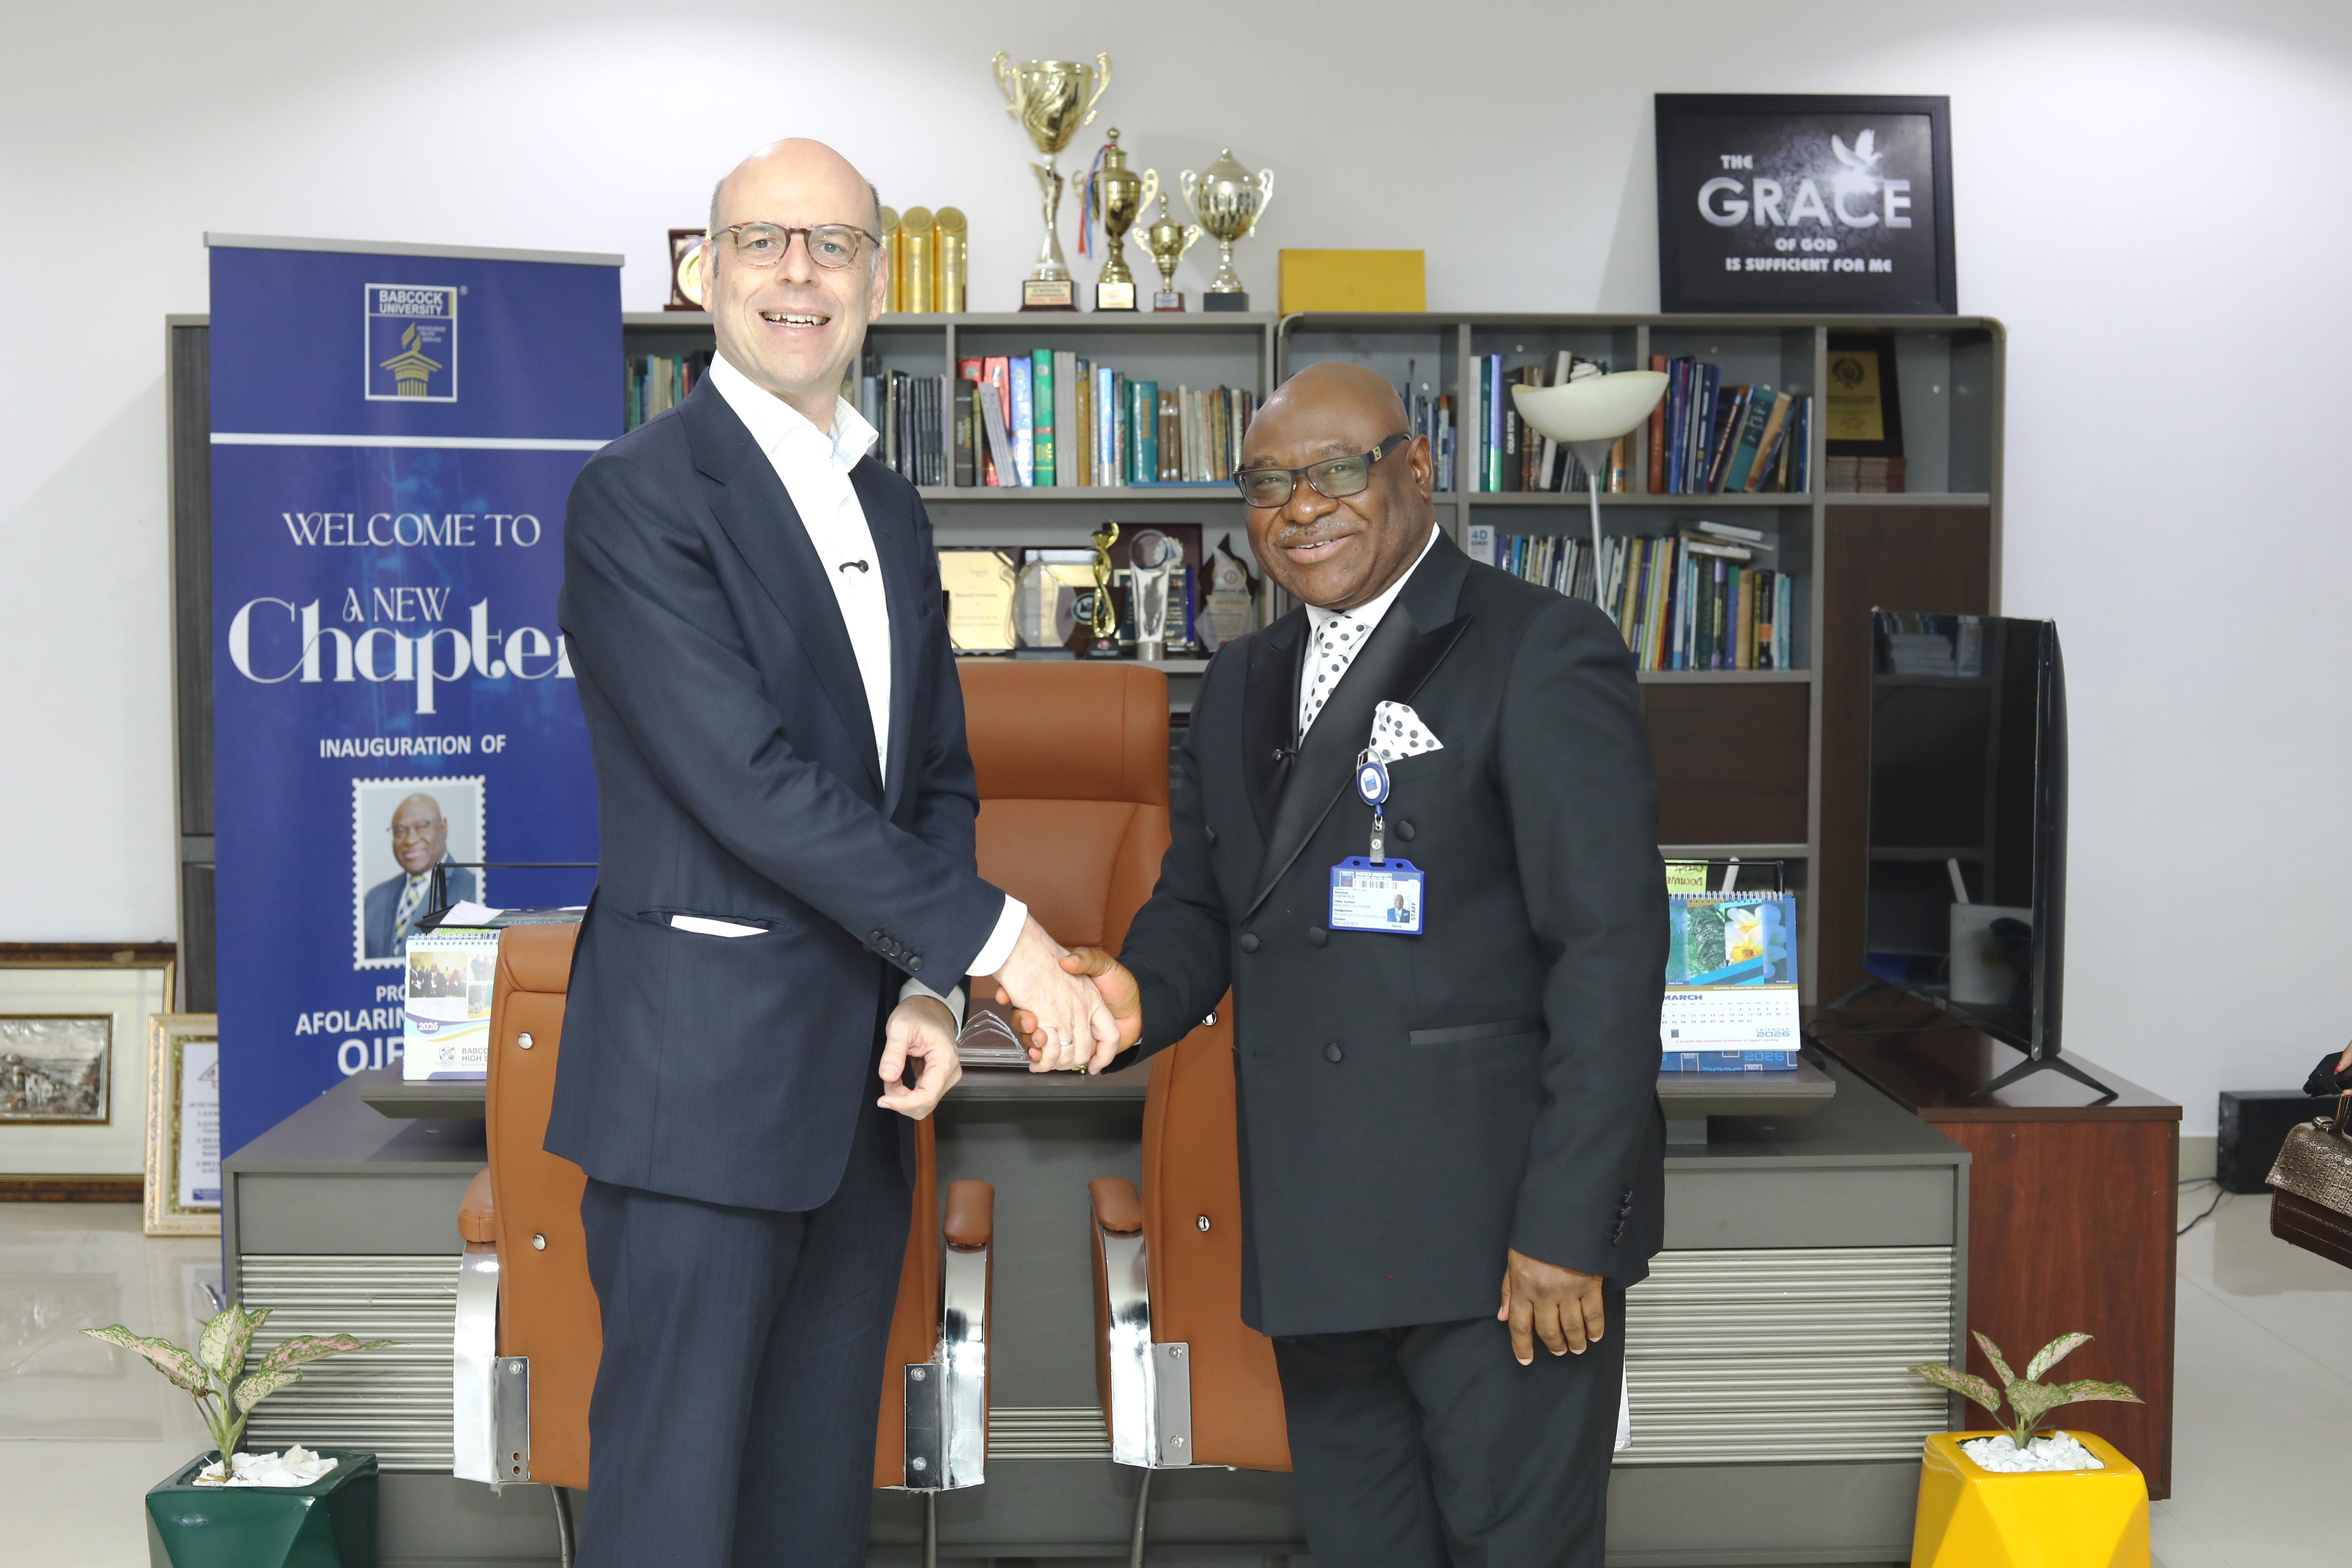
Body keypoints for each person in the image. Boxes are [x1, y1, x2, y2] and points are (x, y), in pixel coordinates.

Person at [547, 138, 1114, 1568]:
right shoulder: (639, 495)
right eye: (763, 242)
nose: (797, 274)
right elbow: (749, 786)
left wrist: (930, 987)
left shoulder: (889, 502)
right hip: (699, 1093)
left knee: (812, 1517)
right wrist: (1005, 945)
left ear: (876, 280)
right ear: (707, 274)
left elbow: (934, 775)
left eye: (834, 246)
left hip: (865, 1098)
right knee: (673, 1520)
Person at [1032, 362, 1667, 1567]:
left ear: (1414, 469)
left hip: (1501, 1247)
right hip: (1319, 1226)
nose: (1301, 507)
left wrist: (1567, 1227)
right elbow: (1202, 904)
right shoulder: (1238, 679)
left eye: (1333, 471)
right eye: (1268, 484)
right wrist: (1131, 994)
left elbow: (1610, 954)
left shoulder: (1540, 648)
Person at [361, 792, 475, 958]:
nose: (410, 840)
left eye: (422, 827)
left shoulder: (474, 892)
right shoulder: (373, 900)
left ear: (443, 828)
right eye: (399, 832)